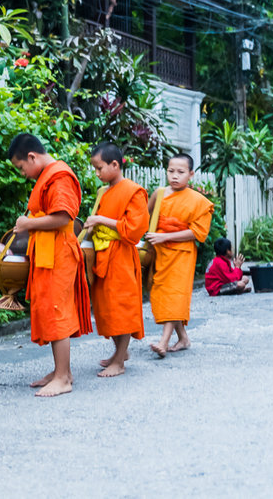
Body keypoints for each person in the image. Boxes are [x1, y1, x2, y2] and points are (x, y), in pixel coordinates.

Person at [7, 133, 92, 396]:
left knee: (57, 311)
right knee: (49, 309)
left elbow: (63, 217)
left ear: (32, 156)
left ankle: (64, 377)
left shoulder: (59, 175)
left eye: (22, 167)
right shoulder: (49, 174)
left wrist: (27, 223)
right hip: (47, 253)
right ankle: (58, 371)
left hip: (58, 253)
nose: (23, 174)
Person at [83, 142, 149, 378]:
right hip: (103, 255)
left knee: (122, 307)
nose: (97, 173)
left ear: (115, 164)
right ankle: (119, 353)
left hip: (120, 254)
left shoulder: (134, 191)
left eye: (99, 168)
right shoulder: (104, 191)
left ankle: (119, 361)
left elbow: (134, 229)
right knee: (107, 307)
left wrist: (101, 220)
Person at [145, 153, 213, 358]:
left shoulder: (198, 201)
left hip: (182, 253)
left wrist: (166, 237)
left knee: (175, 296)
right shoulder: (159, 194)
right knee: (160, 295)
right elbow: (146, 217)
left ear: (191, 174)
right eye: (171, 171)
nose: (175, 176)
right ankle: (183, 338)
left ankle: (163, 342)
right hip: (159, 252)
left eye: (181, 172)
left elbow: (198, 233)